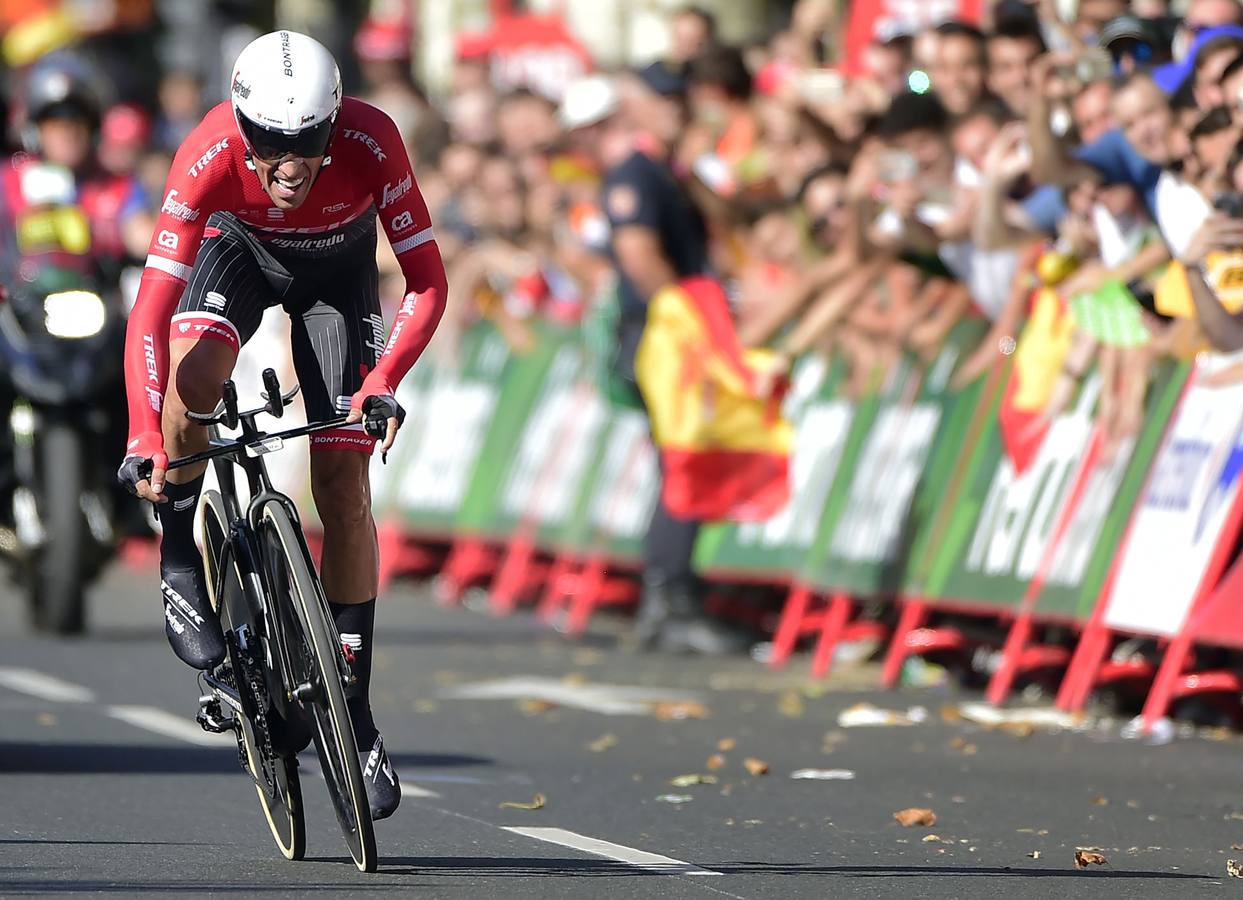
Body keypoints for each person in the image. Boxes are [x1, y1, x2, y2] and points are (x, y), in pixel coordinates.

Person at [115, 30, 449, 821]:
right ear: (241, 126)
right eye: (269, 144)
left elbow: (427, 281)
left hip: (337, 272)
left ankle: (356, 717)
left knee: (343, 483)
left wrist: (382, 380)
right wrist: (143, 434)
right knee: (195, 373)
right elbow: (152, 313)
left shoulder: (373, 140)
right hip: (237, 255)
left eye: (307, 144)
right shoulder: (205, 154)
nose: (290, 164)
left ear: (334, 123)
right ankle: (179, 555)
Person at [558, 73, 749, 655]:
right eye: (664, 102)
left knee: (680, 466)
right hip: (666, 333)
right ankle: (670, 603)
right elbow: (640, 257)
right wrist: (693, 324)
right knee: (682, 465)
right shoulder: (635, 175)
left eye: (680, 100)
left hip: (664, 330)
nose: (677, 112)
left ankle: (669, 598)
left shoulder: (661, 169)